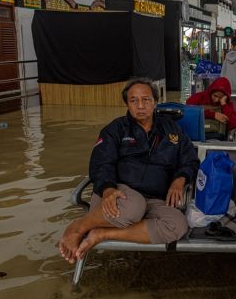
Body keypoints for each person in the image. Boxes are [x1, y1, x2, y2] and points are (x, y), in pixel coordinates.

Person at [59, 78, 200, 264]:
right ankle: (77, 227)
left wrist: (180, 179)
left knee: (178, 224)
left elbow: (190, 159)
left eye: (146, 99)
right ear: (127, 104)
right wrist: (108, 189)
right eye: (134, 100)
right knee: (134, 206)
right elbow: (101, 163)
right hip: (118, 195)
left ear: (155, 102)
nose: (140, 105)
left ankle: (102, 233)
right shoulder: (115, 129)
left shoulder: (171, 129)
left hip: (155, 199)